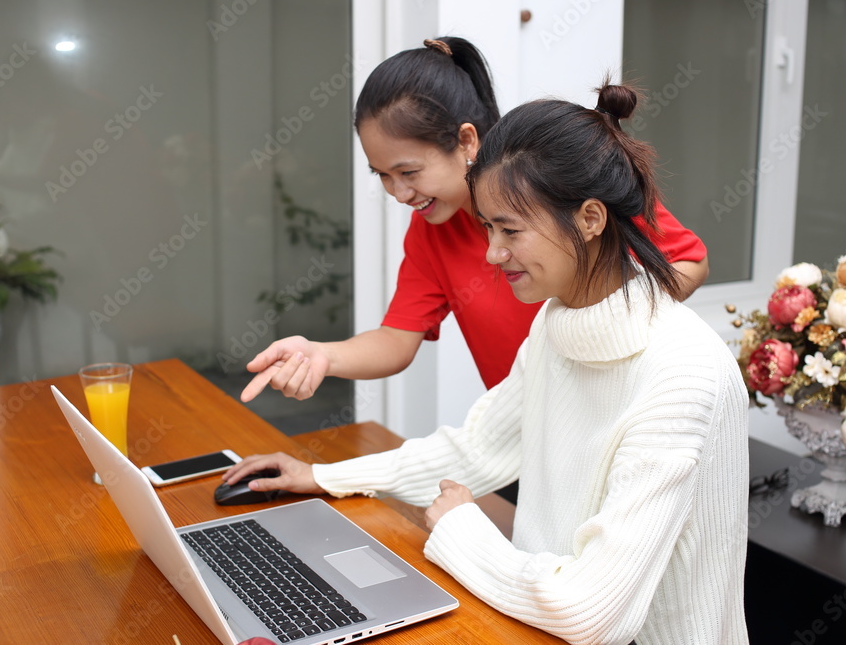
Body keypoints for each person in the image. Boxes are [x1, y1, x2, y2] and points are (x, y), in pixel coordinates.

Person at [224, 82, 750, 644]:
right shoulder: (556, 324)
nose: (492, 254)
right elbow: (478, 447)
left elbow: (591, 612)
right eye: (488, 229)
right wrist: (322, 477)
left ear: (592, 218)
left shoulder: (684, 373)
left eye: (510, 231)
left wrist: (460, 530)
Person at [240, 37, 710, 404]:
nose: (399, 193)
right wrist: (322, 354)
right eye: (382, 176)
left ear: (466, 141)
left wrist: (597, 329)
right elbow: (397, 339)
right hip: (524, 433)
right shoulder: (432, 228)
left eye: (409, 172)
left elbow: (688, 262)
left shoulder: (561, 178)